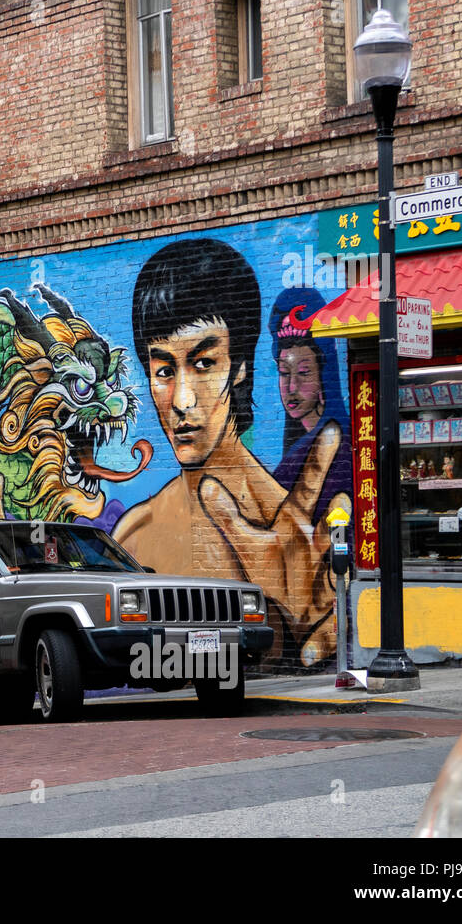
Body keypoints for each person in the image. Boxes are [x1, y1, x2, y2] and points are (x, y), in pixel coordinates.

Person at [112, 238, 349, 669]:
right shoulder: (133, 539)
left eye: (204, 364)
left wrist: (318, 636)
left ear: (239, 365)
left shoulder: (297, 538)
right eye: (163, 371)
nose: (182, 400)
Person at [270, 287, 352, 526]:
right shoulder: (293, 459)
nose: (292, 386)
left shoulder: (340, 446)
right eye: (284, 372)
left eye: (304, 372)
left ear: (323, 375)